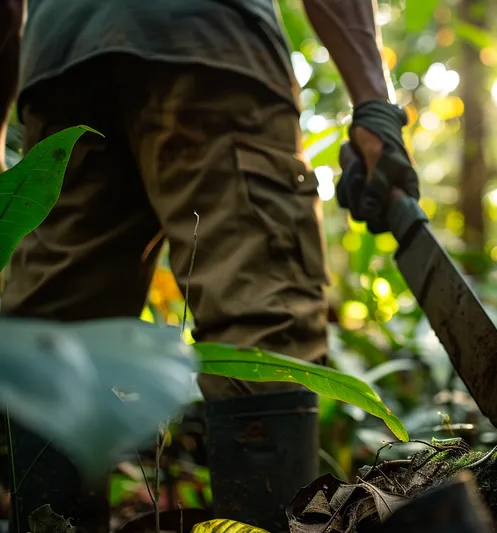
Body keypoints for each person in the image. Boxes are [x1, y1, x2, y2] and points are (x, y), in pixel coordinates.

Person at [0, 0, 419, 532]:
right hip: (213, 41)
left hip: (62, 60)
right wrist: (373, 105)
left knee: (54, 342)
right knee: (261, 326)